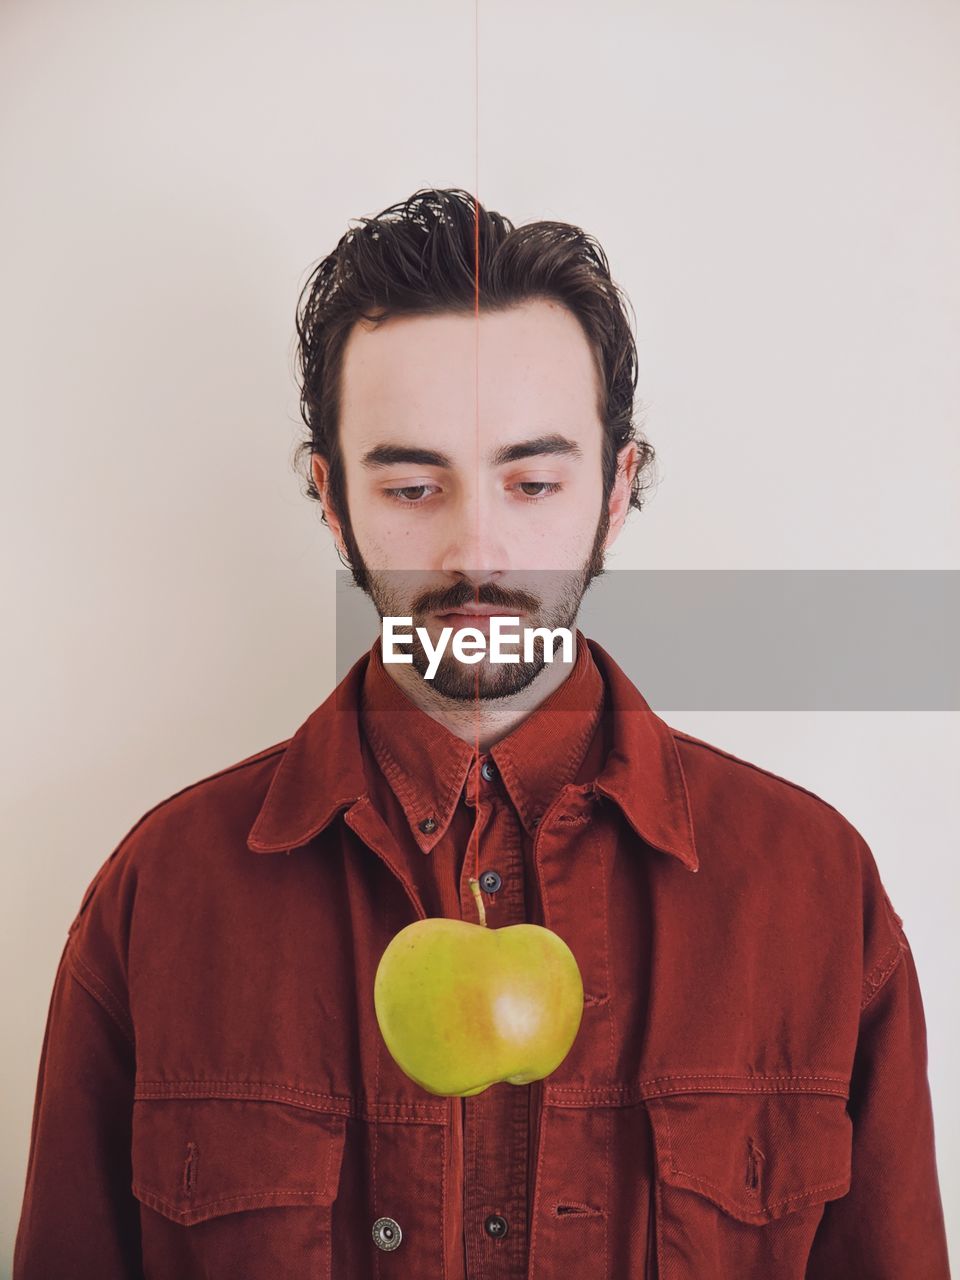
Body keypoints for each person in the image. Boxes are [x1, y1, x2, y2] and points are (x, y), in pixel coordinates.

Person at [14, 188, 950, 1279]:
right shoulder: (162, 896)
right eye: (413, 484)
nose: (476, 547)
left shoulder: (814, 892)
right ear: (330, 500)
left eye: (534, 479)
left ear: (617, 490)